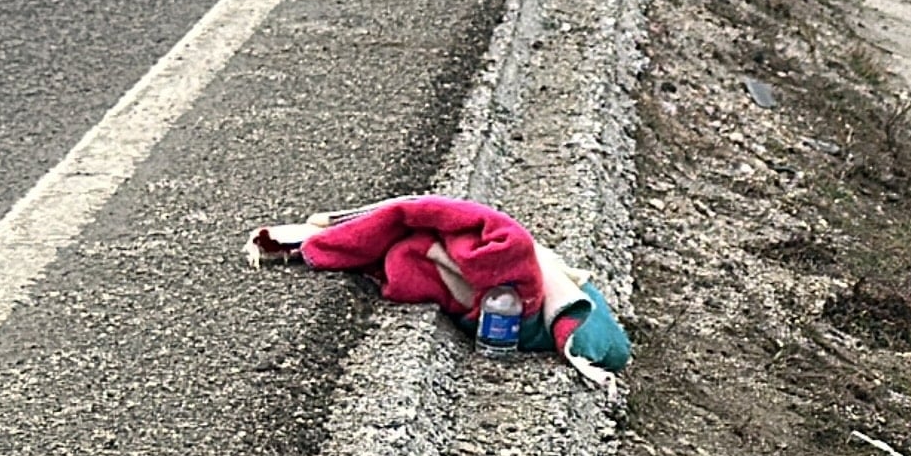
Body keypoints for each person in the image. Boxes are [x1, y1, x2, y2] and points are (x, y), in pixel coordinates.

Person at [248, 194, 632, 371]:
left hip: (501, 297)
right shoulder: (517, 263)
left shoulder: (535, 277)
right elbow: (416, 214)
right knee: (411, 251)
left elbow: (602, 340)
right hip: (458, 270)